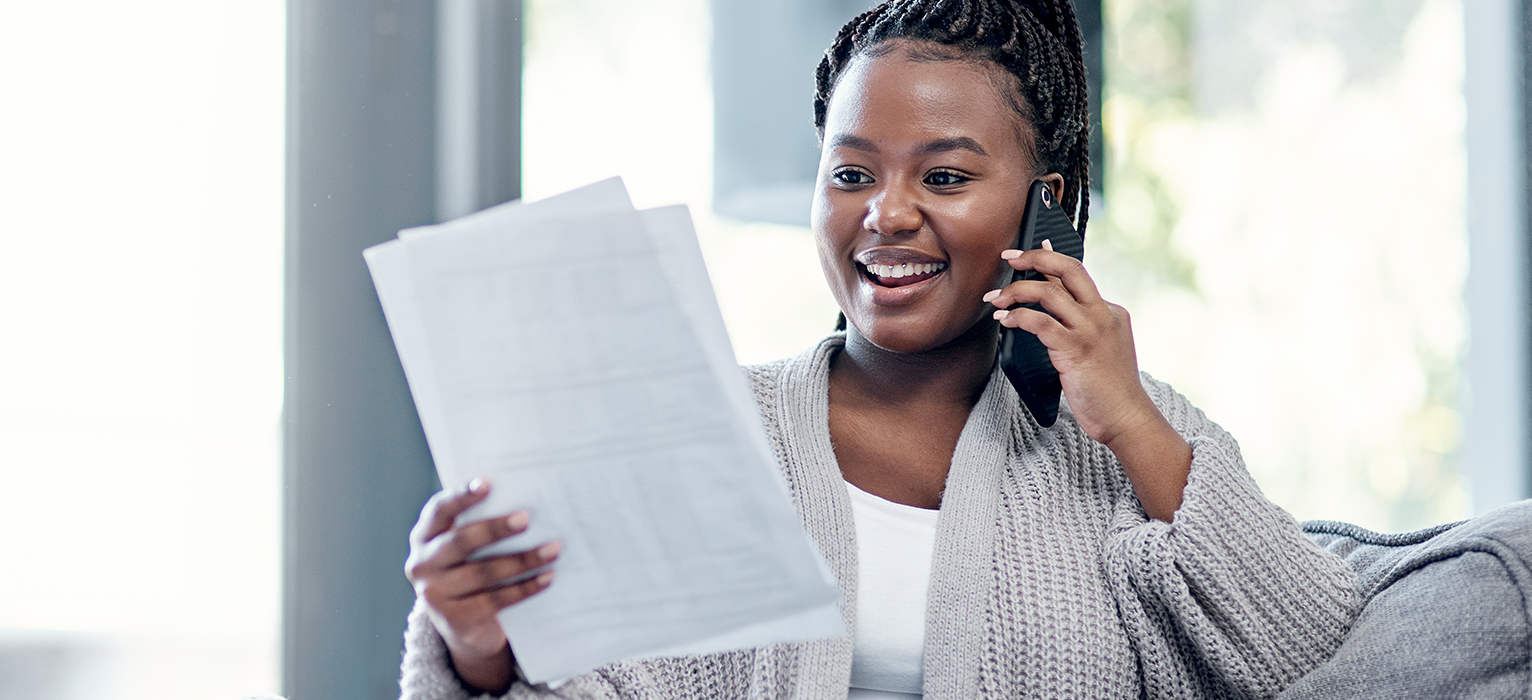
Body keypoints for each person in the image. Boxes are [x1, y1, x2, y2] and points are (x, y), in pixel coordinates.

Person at [398, 0, 1362, 697]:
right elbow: (595, 681)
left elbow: (1322, 654)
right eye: (851, 172)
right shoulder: (708, 427)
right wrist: (478, 648)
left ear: (1048, 206)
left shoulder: (1131, 438)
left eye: (943, 176)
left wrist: (1133, 428)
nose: (885, 215)